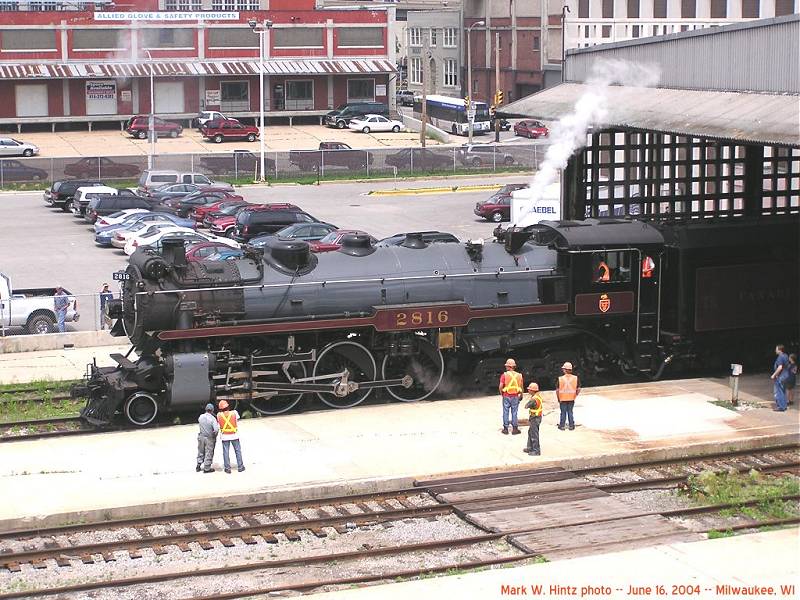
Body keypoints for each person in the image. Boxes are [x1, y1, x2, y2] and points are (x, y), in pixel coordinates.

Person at [217, 399, 245, 473]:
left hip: (224, 436)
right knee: (238, 451)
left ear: (220, 408)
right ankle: (240, 467)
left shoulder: (219, 415)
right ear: (228, 406)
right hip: (234, 435)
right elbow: (238, 419)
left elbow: (218, 424)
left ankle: (227, 468)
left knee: (225, 452)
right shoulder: (234, 413)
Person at [498, 358, 524, 435]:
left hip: (506, 395)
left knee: (505, 412)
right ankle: (515, 429)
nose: (505, 367)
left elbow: (500, 386)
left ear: (509, 367)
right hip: (515, 396)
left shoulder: (504, 375)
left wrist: (502, 393)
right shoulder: (519, 375)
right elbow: (521, 387)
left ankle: (505, 429)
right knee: (514, 412)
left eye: (506, 366)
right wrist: (521, 394)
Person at [556, 361, 580, 430]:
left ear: (565, 370)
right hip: (571, 398)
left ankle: (562, 425)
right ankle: (571, 426)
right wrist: (575, 395)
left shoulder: (560, 379)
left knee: (563, 412)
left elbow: (557, 390)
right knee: (570, 412)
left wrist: (558, 398)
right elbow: (579, 388)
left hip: (562, 398)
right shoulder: (575, 378)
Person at [196, 403, 219, 473]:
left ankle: (198, 465)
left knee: (200, 451)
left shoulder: (201, 417)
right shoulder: (213, 419)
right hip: (209, 438)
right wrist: (215, 436)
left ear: (206, 409)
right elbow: (216, 430)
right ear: (212, 410)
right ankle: (207, 468)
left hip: (201, 437)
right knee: (209, 452)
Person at [523, 382, 543, 456]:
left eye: (529, 389)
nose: (528, 390)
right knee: (530, 432)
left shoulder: (534, 399)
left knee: (534, 434)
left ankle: (536, 450)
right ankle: (530, 447)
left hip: (535, 418)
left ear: (532, 390)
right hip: (535, 417)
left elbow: (526, 406)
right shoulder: (537, 396)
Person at [771, 345, 790, 412]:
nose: (775, 350)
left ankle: (781, 407)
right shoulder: (786, 356)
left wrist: (774, 375)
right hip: (786, 376)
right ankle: (784, 406)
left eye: (776, 349)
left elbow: (780, 367)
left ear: (780, 350)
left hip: (781, 376)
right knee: (783, 391)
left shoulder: (780, 357)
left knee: (779, 392)